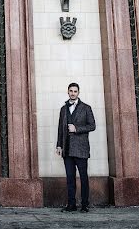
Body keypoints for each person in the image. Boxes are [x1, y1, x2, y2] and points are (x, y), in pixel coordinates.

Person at [55, 82, 96, 213]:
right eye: (71, 91)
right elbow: (60, 129)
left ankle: (85, 205)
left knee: (84, 178)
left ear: (78, 93)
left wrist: (76, 128)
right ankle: (71, 205)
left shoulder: (86, 108)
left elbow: (92, 126)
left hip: (81, 149)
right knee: (70, 179)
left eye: (75, 91)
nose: (73, 93)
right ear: (68, 92)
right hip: (67, 149)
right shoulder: (63, 109)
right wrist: (59, 145)